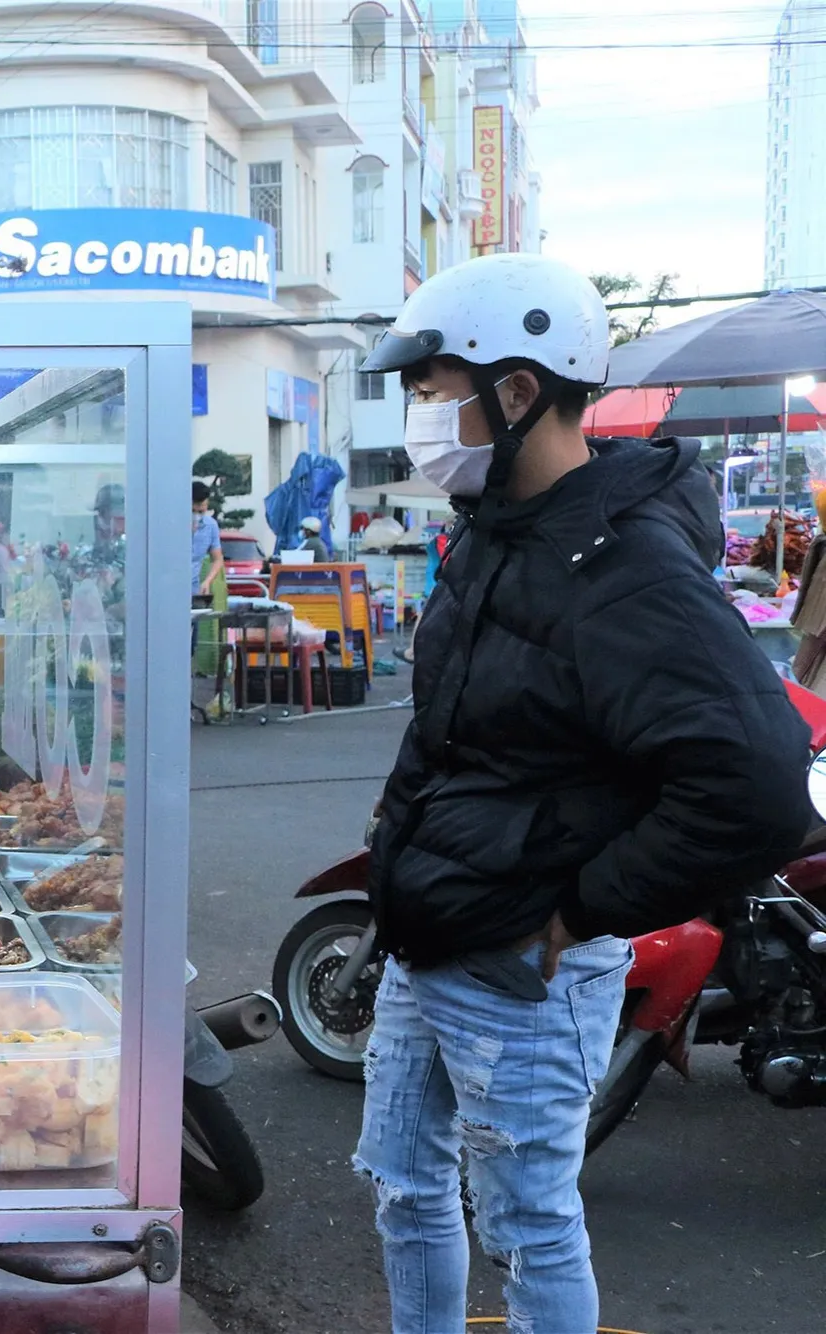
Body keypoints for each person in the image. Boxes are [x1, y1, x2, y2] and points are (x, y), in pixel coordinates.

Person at [354, 251, 811, 1334]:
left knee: (524, 1222)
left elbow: (751, 783)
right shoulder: (492, 531)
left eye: (432, 395)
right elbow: (450, 722)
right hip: (427, 930)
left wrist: (581, 908)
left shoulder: (624, 566)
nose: (420, 422)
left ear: (514, 392)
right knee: (403, 1183)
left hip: (521, 959)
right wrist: (394, 831)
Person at [191, 481, 221, 598]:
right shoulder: (173, 523)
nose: (197, 515)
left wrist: (208, 581)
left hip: (194, 588)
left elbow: (217, 559)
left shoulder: (211, 525)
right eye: (193, 511)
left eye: (201, 512)